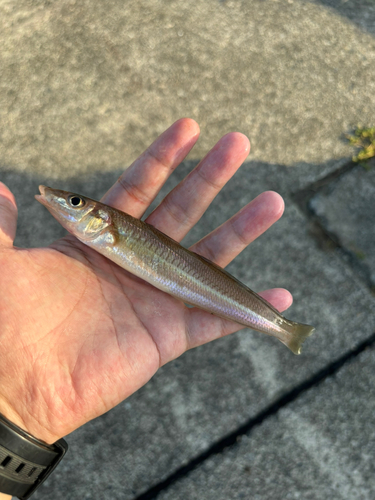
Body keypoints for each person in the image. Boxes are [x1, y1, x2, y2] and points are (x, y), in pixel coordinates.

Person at [0, 119, 291, 499]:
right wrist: (15, 407)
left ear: (101, 221)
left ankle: (281, 326)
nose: (67, 203)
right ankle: (280, 326)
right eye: (75, 201)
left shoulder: (108, 229)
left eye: (75, 203)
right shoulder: (98, 233)